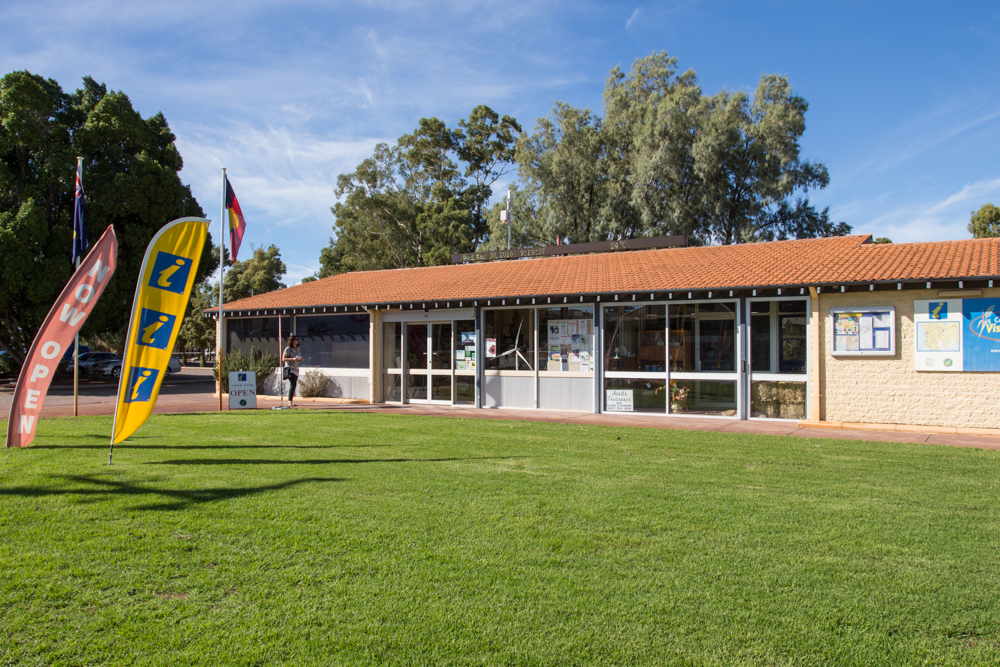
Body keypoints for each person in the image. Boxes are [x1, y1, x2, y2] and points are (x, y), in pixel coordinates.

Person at [282, 335, 304, 406]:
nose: (297, 340)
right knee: (293, 383)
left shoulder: (298, 349)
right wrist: (292, 359)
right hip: (290, 368)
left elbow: (299, 359)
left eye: (297, 339)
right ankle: (289, 400)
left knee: (294, 384)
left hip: (296, 369)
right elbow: (283, 359)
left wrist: (300, 359)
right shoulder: (288, 349)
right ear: (292, 340)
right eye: (295, 339)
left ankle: (291, 400)